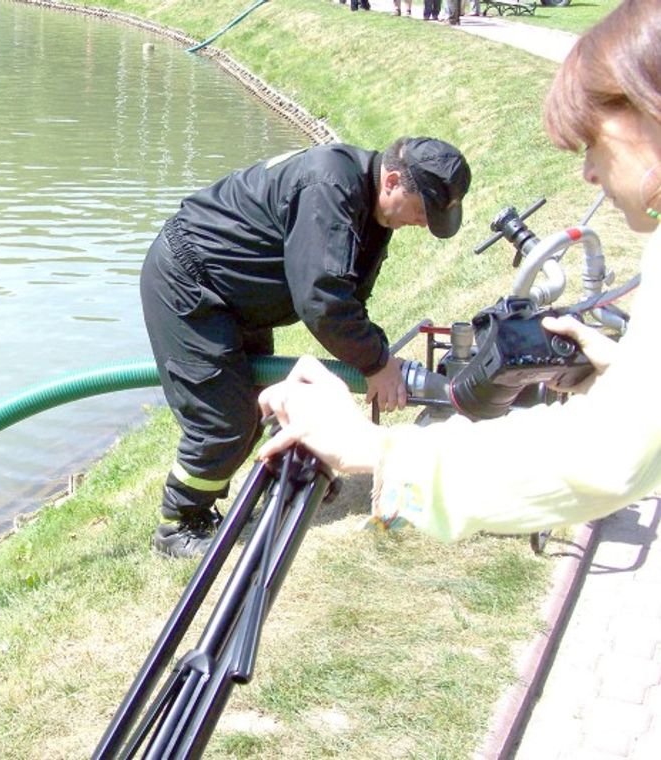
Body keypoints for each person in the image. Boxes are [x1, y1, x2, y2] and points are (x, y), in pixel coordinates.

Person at [256, 0, 661, 544]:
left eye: (593, 141)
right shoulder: (334, 187)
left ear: (648, 111)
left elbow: (607, 457)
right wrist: (628, 370)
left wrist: (376, 449)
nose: (588, 171)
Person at [141, 136, 472, 558]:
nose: (423, 224)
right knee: (220, 421)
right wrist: (374, 363)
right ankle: (177, 526)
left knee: (252, 407)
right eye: (423, 210)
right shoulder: (329, 187)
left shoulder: (372, 209)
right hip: (191, 283)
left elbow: (350, 295)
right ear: (391, 181)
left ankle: (280, 478)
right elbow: (322, 301)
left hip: (237, 296)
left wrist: (380, 356)